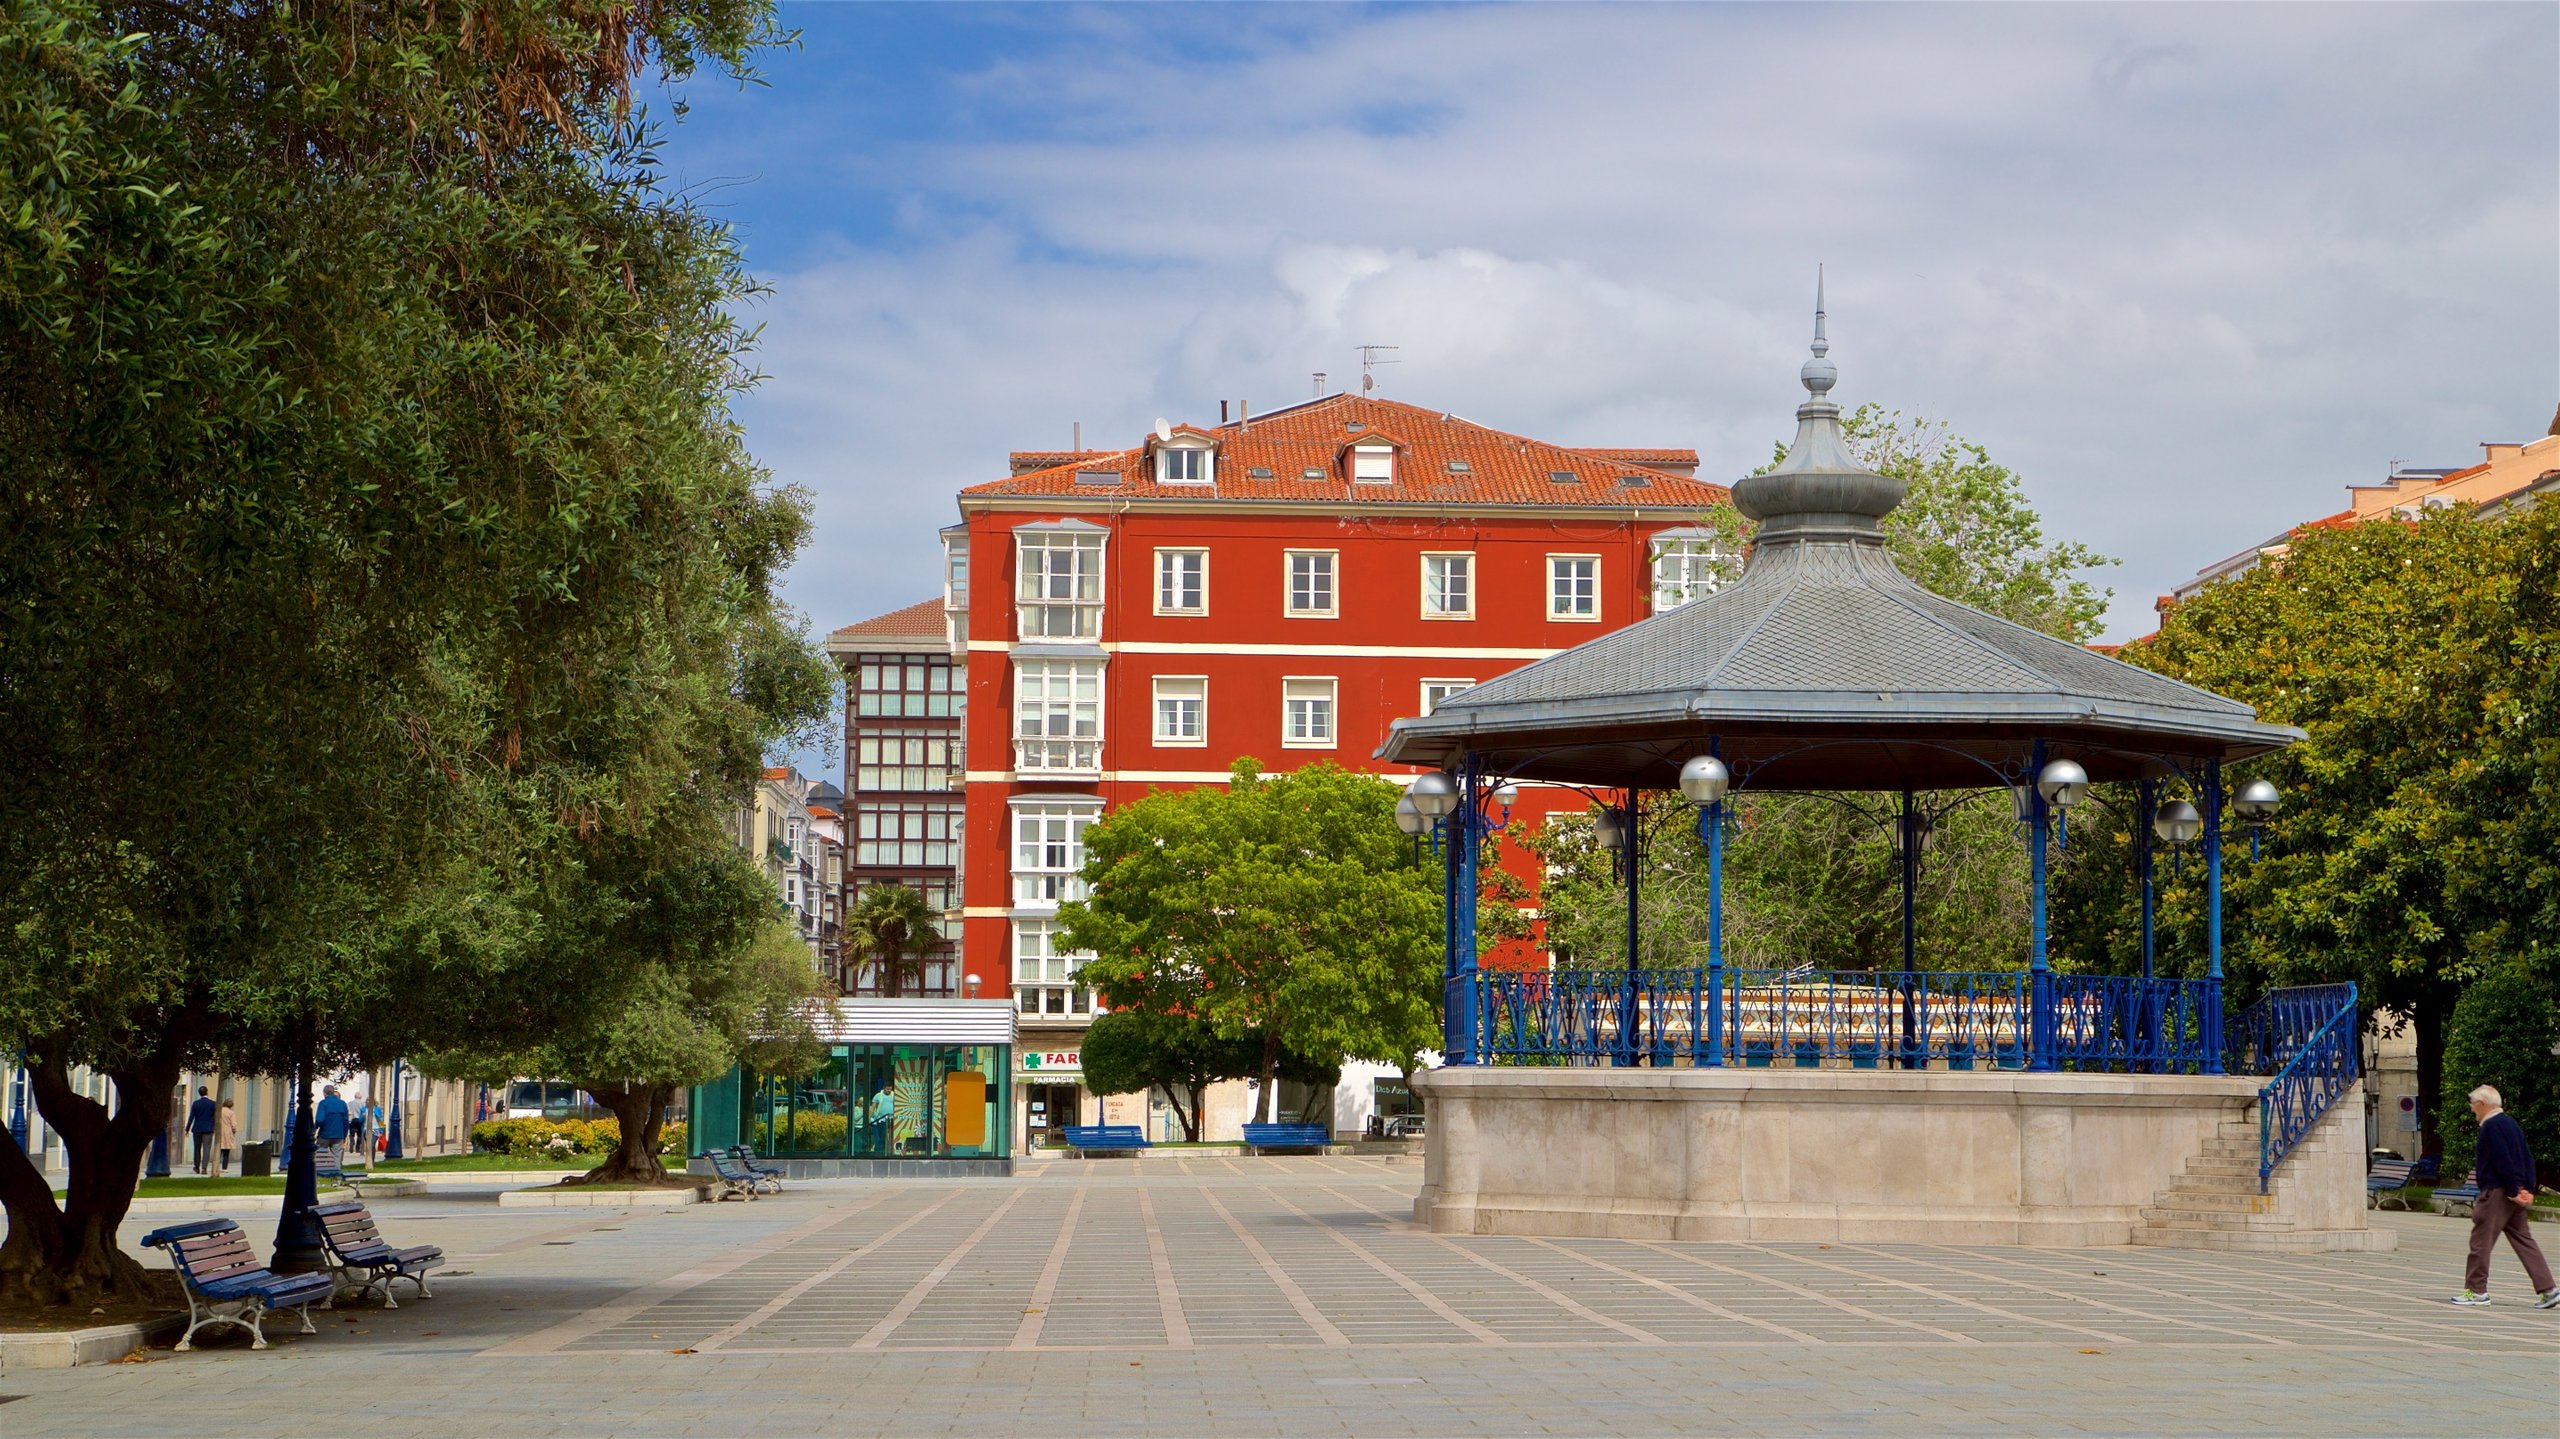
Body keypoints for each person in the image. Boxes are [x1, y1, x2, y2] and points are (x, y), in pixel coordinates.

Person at [2449, 1084, 2559, 1308]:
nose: (2472, 1109)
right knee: (2524, 1241)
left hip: (2497, 1193)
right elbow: (2527, 1158)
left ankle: (2476, 1291)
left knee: (2480, 1241)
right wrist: (2526, 1189)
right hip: (2514, 1191)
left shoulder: (2491, 1127)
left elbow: (2502, 1161)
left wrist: (2511, 1191)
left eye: (2473, 1105)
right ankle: (2549, 1289)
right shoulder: (2511, 1124)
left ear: (2482, 1104)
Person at [315, 1083, 351, 1164]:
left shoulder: (323, 1103)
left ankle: (320, 1173)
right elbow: (346, 1121)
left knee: (320, 1155)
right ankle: (335, 1174)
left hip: (325, 1134)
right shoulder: (342, 1103)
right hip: (338, 1135)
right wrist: (344, 1134)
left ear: (324, 1093)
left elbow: (320, 1120)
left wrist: (315, 1128)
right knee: (337, 1156)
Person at [185, 1086, 217, 1174]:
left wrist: (187, 1129)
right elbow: (215, 1117)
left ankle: (196, 1166)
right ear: (207, 1092)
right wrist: (214, 1127)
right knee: (206, 1149)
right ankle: (204, 1168)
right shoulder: (213, 1104)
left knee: (197, 1148)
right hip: (208, 1129)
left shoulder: (195, 1104)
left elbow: (191, 1117)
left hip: (197, 1129)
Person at [214, 1096, 240, 1175]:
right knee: (226, 1151)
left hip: (219, 1132)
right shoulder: (231, 1113)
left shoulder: (219, 1111)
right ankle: (224, 1167)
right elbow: (233, 1124)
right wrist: (234, 1130)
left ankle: (216, 1166)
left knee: (219, 1150)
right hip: (228, 1133)